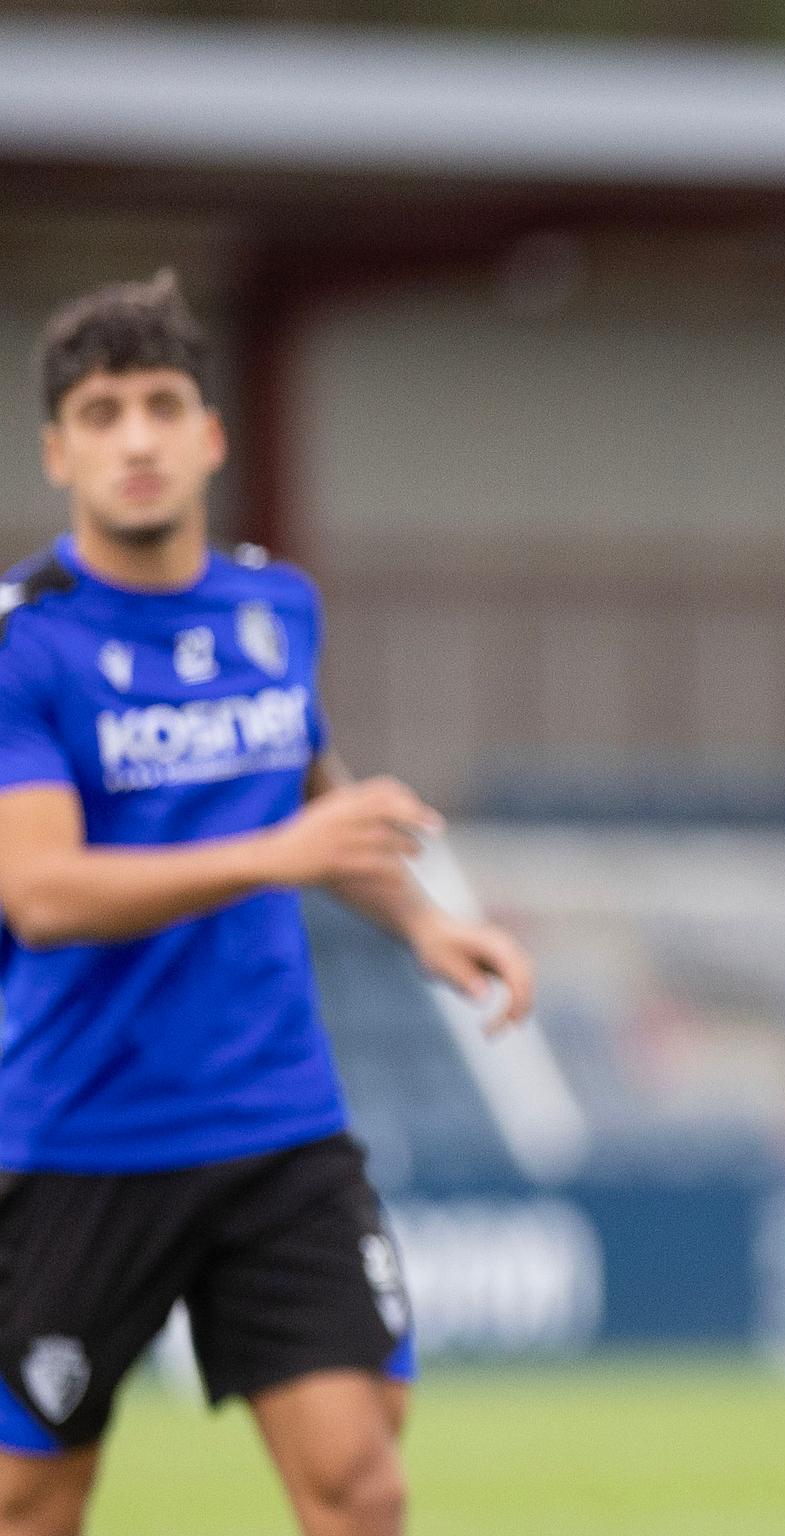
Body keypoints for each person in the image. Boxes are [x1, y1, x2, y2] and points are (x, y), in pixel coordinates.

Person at [0, 273, 538, 1536]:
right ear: (57, 449)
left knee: (359, 1481)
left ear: (210, 435)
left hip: (274, 1123)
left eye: (162, 405)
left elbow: (315, 799)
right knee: (31, 1502)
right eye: (101, 411)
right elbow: (41, 897)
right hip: (83, 1137)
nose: (136, 437)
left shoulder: (274, 608)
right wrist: (277, 853)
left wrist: (423, 925)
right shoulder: (27, 645)